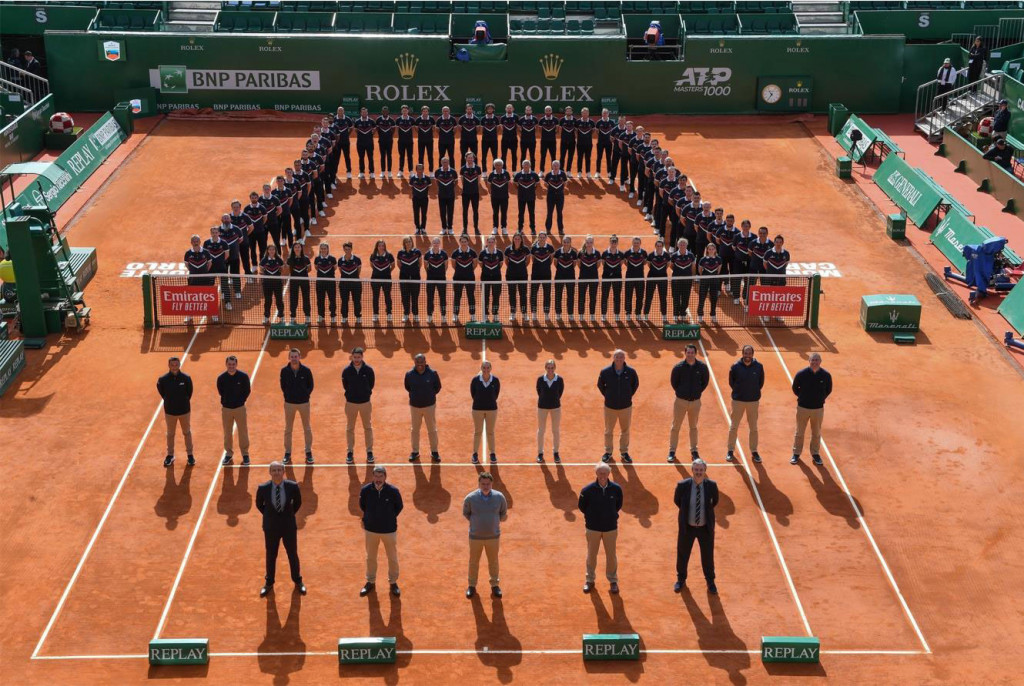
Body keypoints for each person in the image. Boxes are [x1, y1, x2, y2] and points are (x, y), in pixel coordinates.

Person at [256, 461, 306, 597]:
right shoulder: (263, 488)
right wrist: (270, 516)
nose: (277, 472)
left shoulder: (293, 486)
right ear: (270, 472)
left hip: (288, 526)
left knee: (292, 554)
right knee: (271, 555)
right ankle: (269, 583)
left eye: (279, 470)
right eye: (274, 470)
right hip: (271, 527)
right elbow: (259, 505)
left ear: (283, 472)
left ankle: (298, 581)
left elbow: (298, 503)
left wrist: (288, 516)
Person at [674, 458, 718, 595]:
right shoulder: (682, 485)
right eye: (696, 470)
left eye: (701, 470)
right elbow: (677, 501)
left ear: (705, 471)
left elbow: (714, 502)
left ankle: (710, 581)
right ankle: (681, 579)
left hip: (705, 528)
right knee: (682, 554)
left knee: (707, 556)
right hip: (688, 528)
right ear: (692, 470)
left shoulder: (712, 485)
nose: (699, 472)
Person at [578, 462, 623, 594]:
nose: (602, 475)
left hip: (610, 528)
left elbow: (618, 505)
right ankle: (590, 580)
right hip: (593, 528)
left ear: (609, 474)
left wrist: (610, 516)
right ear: (596, 474)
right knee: (591, 555)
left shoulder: (616, 489)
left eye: (605, 473)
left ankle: (613, 581)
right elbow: (582, 507)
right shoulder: (587, 490)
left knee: (611, 556)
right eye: (600, 473)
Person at [359, 466, 403, 598]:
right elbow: (362, 506)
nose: (378, 479)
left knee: (392, 558)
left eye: (381, 476)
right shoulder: (366, 490)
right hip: (371, 530)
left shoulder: (393, 491)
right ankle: (370, 581)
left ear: (385, 477)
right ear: (373, 477)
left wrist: (388, 518)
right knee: (370, 557)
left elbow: (399, 507)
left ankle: (393, 582)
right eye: (376, 476)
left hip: (388, 530)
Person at [463, 472, 508, 599]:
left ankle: (495, 585)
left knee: (493, 561)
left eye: (488, 484)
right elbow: (466, 513)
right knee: (473, 562)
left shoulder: (499, 497)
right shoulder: (470, 498)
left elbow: (503, 513)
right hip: (475, 537)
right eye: (483, 484)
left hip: (493, 537)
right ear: (479, 484)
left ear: (492, 484)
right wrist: (477, 524)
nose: (485, 486)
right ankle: (471, 585)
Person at [668, 344, 709, 463]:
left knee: (693, 427)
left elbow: (705, 382)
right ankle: (672, 451)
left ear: (695, 354)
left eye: (692, 352)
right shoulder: (678, 367)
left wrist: (697, 392)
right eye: (688, 352)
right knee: (675, 427)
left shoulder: (702, 367)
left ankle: (694, 451)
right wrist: (682, 392)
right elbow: (674, 383)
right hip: (680, 402)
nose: (690, 354)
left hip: (695, 403)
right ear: (685, 353)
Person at [597, 349, 640, 463]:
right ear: (613, 358)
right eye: (617, 357)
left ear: (624, 359)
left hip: (626, 407)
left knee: (625, 430)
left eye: (621, 357)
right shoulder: (605, 372)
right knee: (608, 431)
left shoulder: (631, 372)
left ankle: (624, 452)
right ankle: (608, 452)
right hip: (610, 407)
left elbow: (635, 385)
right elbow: (600, 385)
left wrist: (627, 396)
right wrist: (608, 396)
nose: (619, 359)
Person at [791, 353, 832, 466]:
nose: (814, 362)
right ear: (809, 361)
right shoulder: (801, 374)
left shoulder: (826, 375)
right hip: (802, 408)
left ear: (820, 361)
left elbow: (829, 389)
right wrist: (803, 397)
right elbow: (795, 388)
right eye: (812, 360)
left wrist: (820, 399)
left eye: (816, 360)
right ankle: (796, 453)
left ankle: (815, 454)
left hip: (818, 409)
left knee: (816, 432)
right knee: (799, 432)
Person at [727, 345, 764, 464]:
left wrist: (753, 392)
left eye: (749, 353)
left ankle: (754, 451)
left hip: (753, 402)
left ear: (752, 354)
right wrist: (739, 392)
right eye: (745, 353)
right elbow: (731, 382)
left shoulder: (759, 367)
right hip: (738, 401)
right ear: (742, 354)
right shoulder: (735, 366)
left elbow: (760, 382)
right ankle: (730, 450)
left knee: (753, 428)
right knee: (734, 427)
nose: (747, 356)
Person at [157, 356, 194, 467]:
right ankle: (170, 455)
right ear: (169, 365)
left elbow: (189, 392)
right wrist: (170, 401)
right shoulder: (162, 380)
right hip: (170, 412)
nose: (174, 367)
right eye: (172, 365)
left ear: (179, 365)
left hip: (184, 411)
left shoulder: (186, 378)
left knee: (187, 433)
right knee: (170, 434)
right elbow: (162, 392)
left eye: (176, 365)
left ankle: (190, 455)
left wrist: (183, 401)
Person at [280, 348, 314, 465]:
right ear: (289, 358)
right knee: (288, 429)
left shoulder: (306, 371)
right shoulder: (284, 371)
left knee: (307, 428)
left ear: (300, 357)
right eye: (292, 357)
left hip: (304, 403)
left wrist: (305, 394)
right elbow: (283, 386)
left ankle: (308, 452)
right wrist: (289, 395)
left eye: (296, 356)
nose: (294, 359)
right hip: (289, 403)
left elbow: (311, 385)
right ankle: (287, 453)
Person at [406, 353, 442, 463]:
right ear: (414, 362)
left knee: (432, 429)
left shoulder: (433, 374)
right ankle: (415, 451)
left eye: (422, 362)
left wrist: (429, 396)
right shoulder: (409, 374)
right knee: (415, 430)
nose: (420, 365)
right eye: (418, 362)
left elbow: (437, 387)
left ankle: (434, 451)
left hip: (429, 406)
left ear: (425, 362)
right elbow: (407, 387)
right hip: (415, 406)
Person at [342, 346, 376, 465]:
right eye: (355, 357)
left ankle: (369, 452)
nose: (356, 359)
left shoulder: (368, 370)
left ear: (362, 357)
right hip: (351, 403)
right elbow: (345, 385)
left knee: (367, 427)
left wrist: (365, 393)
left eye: (359, 357)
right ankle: (350, 452)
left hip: (365, 403)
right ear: (352, 357)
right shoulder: (346, 371)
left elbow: (371, 384)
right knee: (350, 428)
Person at [218, 355, 251, 467]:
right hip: (226, 409)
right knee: (227, 432)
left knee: (243, 431)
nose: (231, 366)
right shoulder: (221, 378)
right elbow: (221, 391)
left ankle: (245, 454)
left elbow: (247, 390)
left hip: (240, 408)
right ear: (226, 364)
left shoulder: (243, 377)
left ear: (236, 364)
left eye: (233, 364)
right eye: (229, 364)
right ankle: (228, 453)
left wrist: (240, 401)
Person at [534, 359, 565, 463]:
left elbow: (560, 392)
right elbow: (539, 391)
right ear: (545, 368)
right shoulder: (540, 379)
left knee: (555, 430)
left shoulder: (559, 379)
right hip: (542, 407)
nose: (550, 370)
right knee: (541, 430)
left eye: (552, 368)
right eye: (548, 368)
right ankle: (540, 453)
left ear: (554, 368)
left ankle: (556, 452)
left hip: (556, 408)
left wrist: (553, 400)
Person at [470, 361, 501, 464]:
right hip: (477, 409)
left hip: (491, 409)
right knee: (477, 432)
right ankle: (474, 453)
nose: (486, 369)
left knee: (490, 432)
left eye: (488, 367)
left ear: (491, 368)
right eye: (484, 367)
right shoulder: (475, 380)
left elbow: (496, 394)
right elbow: (473, 393)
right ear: (481, 368)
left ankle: (492, 453)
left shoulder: (495, 380)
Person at [451, 234, 478, 323]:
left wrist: (468, 271)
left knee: (471, 296)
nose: (463, 243)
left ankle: (473, 315)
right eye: (462, 242)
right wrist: (461, 271)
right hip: (458, 278)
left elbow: (475, 264)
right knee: (457, 297)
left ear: (468, 242)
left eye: (465, 241)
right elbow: (453, 265)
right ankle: (455, 315)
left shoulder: (473, 252)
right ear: (460, 242)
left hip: (470, 278)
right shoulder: (455, 253)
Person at [504, 231, 530, 322]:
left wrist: (520, 268)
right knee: (512, 295)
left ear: (521, 240)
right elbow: (506, 262)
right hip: (511, 275)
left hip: (522, 275)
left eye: (519, 239)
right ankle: (513, 313)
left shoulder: (525, 249)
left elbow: (527, 261)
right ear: (513, 239)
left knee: (523, 295)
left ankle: (524, 313)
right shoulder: (508, 249)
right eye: (515, 239)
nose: (517, 240)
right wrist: (513, 268)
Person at [204, 225, 233, 307]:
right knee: (210, 285)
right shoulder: (206, 243)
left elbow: (227, 255)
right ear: (210, 233)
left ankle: (228, 302)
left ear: (219, 233)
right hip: (211, 268)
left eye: (216, 232)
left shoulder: (224, 243)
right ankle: (209, 302)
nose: (214, 234)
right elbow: (205, 255)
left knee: (225, 284)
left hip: (222, 267)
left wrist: (220, 261)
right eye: (213, 233)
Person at [529, 231, 555, 322]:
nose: (542, 239)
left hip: (547, 274)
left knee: (547, 294)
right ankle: (534, 313)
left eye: (544, 237)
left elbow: (551, 260)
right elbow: (533, 259)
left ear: (546, 238)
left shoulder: (550, 248)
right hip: (535, 275)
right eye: (540, 237)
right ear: (538, 238)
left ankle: (546, 314)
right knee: (533, 294)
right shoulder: (533, 248)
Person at [369, 239, 395, 325]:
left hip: (386, 279)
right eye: (379, 245)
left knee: (387, 296)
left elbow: (393, 266)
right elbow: (372, 265)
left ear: (384, 246)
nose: (381, 247)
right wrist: (378, 273)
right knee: (375, 297)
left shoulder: (389, 256)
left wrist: (387, 273)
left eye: (382, 245)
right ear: (377, 246)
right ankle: (375, 314)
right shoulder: (373, 256)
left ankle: (389, 313)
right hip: (375, 279)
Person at [397, 236, 422, 324]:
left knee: (415, 297)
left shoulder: (417, 252)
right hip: (404, 279)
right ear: (404, 244)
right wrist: (406, 272)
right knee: (405, 297)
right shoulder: (400, 253)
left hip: (415, 278)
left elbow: (420, 264)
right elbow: (399, 264)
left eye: (409, 241)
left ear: (412, 242)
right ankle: (406, 314)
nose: (408, 243)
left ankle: (415, 315)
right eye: (406, 242)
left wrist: (413, 271)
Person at [424, 237, 449, 323]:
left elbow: (446, 266)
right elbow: (425, 266)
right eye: (434, 243)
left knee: (442, 297)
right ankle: (429, 315)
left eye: (437, 243)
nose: (436, 244)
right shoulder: (427, 254)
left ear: (439, 244)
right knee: (430, 298)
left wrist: (440, 273)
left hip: (441, 279)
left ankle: (443, 315)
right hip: (430, 280)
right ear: (432, 244)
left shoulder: (444, 254)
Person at [670, 237, 695, 323]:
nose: (682, 245)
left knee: (685, 297)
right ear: (677, 245)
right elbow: (671, 266)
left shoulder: (691, 255)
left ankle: (683, 314)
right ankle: (676, 314)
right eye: (680, 244)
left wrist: (691, 277)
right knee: (676, 298)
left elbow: (693, 267)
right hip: (676, 281)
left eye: (684, 244)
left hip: (687, 281)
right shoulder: (673, 256)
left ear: (686, 245)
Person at [696, 242, 723, 325]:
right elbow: (700, 270)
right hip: (704, 281)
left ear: (715, 250)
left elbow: (718, 270)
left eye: (712, 249)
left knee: (714, 299)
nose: (711, 250)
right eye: (709, 249)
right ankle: (700, 315)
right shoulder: (703, 259)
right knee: (702, 298)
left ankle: (713, 315)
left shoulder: (718, 259)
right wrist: (705, 276)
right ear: (707, 250)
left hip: (714, 281)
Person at [259, 243, 285, 325]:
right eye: (270, 249)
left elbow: (282, 268)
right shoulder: (264, 259)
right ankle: (266, 317)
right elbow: (261, 269)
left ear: (275, 251)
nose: (271, 251)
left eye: (273, 249)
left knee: (279, 300)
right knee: (268, 300)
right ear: (267, 251)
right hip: (267, 284)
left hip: (277, 283)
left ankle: (281, 316)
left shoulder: (279, 259)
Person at [553, 235, 578, 322]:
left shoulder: (574, 253)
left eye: (567, 242)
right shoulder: (557, 252)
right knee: (558, 296)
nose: (566, 243)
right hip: (559, 277)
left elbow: (574, 264)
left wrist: (567, 271)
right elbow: (555, 263)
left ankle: (570, 314)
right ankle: (558, 314)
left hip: (570, 277)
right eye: (564, 242)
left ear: (570, 243)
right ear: (562, 242)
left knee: (570, 296)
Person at [479, 235, 503, 323]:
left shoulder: (499, 253)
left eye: (492, 242)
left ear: (495, 242)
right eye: (489, 242)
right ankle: (485, 315)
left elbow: (500, 264)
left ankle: (495, 314)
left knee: (496, 296)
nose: (491, 243)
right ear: (487, 243)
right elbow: (481, 264)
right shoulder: (482, 253)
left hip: (497, 277)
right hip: (485, 278)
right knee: (485, 297)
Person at [337, 241, 362, 326]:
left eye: (349, 249)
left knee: (357, 301)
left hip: (356, 284)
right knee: (344, 301)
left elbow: (358, 271)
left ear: (351, 249)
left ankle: (358, 316)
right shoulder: (340, 260)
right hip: (344, 284)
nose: (347, 250)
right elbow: (341, 271)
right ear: (344, 249)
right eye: (346, 249)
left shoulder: (357, 259)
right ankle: (344, 317)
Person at [601, 236, 625, 323]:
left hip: (617, 278)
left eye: (615, 242)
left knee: (617, 297)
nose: (613, 243)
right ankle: (603, 315)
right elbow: (603, 264)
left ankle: (617, 315)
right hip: (606, 278)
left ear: (617, 243)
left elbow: (621, 264)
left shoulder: (621, 254)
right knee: (604, 296)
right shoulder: (604, 253)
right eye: (612, 242)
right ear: (609, 242)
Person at [577, 235, 600, 322]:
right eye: (587, 242)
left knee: (593, 297)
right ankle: (581, 315)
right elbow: (579, 265)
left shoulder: (597, 253)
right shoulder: (580, 253)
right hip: (582, 278)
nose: (589, 244)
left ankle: (592, 315)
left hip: (594, 279)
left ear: (593, 243)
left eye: (591, 242)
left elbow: (598, 265)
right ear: (585, 243)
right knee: (581, 297)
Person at [287, 242, 311, 325]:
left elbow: (309, 269)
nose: (297, 249)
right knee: (293, 299)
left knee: (306, 298)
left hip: (304, 281)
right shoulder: (290, 259)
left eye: (299, 247)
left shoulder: (306, 259)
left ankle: (307, 316)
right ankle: (293, 317)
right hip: (294, 281)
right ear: (293, 249)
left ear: (301, 248)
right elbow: (288, 269)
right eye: (295, 247)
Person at [624, 236, 647, 321]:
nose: (636, 244)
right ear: (632, 243)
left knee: (640, 297)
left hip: (640, 278)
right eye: (634, 243)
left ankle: (638, 313)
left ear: (640, 243)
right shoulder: (627, 253)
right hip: (629, 278)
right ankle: (628, 313)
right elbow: (626, 263)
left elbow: (644, 262)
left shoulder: (644, 253)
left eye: (637, 243)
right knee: (628, 296)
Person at [314, 242, 337, 326]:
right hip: (320, 283)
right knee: (320, 300)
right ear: (320, 249)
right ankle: (321, 315)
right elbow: (316, 268)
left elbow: (335, 268)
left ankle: (333, 315)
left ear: (327, 249)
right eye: (322, 248)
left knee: (332, 299)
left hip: (330, 282)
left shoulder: (332, 259)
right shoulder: (317, 259)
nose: (323, 250)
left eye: (325, 248)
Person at [514, 159, 539, 235]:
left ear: (530, 165)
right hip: (521, 197)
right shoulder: (518, 175)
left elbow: (537, 183)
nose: (526, 166)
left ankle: (533, 229)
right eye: (525, 164)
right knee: (521, 213)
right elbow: (515, 183)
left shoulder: (534, 175)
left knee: (531, 213)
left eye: (527, 164)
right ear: (522, 165)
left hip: (531, 197)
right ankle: (520, 228)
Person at [434, 156, 458, 236]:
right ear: (441, 163)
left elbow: (456, 182)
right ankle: (444, 228)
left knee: (450, 212)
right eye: (443, 162)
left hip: (451, 195)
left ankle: (450, 228)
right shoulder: (437, 172)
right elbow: (436, 182)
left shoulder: (453, 172)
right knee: (442, 212)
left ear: (448, 163)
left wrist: (450, 188)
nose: (445, 164)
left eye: (446, 162)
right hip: (441, 196)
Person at [460, 151, 483, 235]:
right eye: (468, 157)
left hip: (475, 193)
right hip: (465, 193)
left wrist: (473, 188)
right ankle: (465, 228)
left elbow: (478, 180)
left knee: (475, 210)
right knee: (465, 211)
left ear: (474, 158)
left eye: (471, 157)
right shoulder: (463, 169)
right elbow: (462, 181)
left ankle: (476, 228)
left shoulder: (478, 168)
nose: (470, 159)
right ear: (465, 158)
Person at [543, 159, 567, 237]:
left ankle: (560, 229)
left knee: (559, 213)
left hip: (560, 197)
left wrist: (559, 190)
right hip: (550, 196)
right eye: (554, 165)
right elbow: (545, 184)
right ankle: (548, 229)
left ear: (559, 166)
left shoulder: (563, 174)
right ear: (552, 166)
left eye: (557, 165)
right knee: (549, 213)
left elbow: (565, 183)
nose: (556, 167)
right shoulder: (548, 175)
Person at [487, 158, 511, 235]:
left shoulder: (506, 173)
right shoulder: (491, 174)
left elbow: (509, 184)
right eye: (496, 165)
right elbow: (489, 184)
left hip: (504, 197)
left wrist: (506, 192)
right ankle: (495, 228)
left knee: (504, 212)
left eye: (500, 165)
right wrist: (491, 193)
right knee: (495, 212)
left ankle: (504, 227)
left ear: (502, 165)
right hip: (494, 197)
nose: (498, 166)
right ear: (494, 166)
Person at [409, 163, 432, 236]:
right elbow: (411, 187)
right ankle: (417, 228)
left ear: (423, 169)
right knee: (416, 213)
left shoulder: (427, 178)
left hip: (424, 198)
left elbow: (429, 187)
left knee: (424, 214)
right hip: (415, 199)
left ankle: (423, 228)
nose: (420, 170)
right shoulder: (412, 179)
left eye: (421, 169)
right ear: (416, 170)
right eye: (418, 169)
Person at [333, 106, 354, 179]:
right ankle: (334, 173)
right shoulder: (334, 119)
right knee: (336, 158)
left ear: (343, 111)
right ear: (337, 111)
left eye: (341, 111)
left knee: (347, 157)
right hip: (337, 143)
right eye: (339, 111)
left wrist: (347, 134)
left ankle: (349, 172)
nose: (340, 112)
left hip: (346, 142)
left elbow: (351, 128)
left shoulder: (348, 119)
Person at [354, 107, 376, 179]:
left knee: (370, 158)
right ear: (361, 113)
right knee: (361, 158)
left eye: (365, 112)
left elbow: (374, 130)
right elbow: (356, 130)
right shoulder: (357, 122)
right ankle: (361, 172)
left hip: (369, 143)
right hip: (360, 143)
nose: (364, 113)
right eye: (362, 112)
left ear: (367, 113)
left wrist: (369, 135)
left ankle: (372, 172)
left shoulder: (371, 121)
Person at [395, 104, 415, 178]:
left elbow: (413, 129)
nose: (405, 112)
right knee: (402, 156)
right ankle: (400, 171)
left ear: (408, 111)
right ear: (401, 111)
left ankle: (411, 171)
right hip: (401, 142)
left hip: (410, 142)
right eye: (403, 111)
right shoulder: (398, 120)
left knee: (410, 156)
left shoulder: (412, 120)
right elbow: (397, 130)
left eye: (406, 110)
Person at [576, 107, 596, 178]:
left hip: (588, 143)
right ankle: (579, 172)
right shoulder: (578, 122)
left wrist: (588, 136)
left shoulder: (591, 122)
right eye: (583, 113)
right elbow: (576, 131)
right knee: (580, 158)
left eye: (586, 113)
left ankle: (588, 172)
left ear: (588, 113)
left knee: (588, 158)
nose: (585, 114)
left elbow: (593, 131)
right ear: (581, 113)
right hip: (580, 143)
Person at [596, 110, 617, 181]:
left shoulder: (612, 122)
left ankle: (609, 172)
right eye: (603, 113)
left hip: (609, 143)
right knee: (599, 157)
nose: (605, 114)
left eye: (606, 113)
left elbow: (614, 133)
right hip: (600, 143)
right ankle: (598, 172)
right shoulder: (598, 122)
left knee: (608, 158)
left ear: (608, 114)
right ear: (602, 114)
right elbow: (596, 131)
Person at [376, 106, 394, 179]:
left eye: (386, 111)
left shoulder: (392, 120)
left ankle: (389, 172)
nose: (385, 113)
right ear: (382, 112)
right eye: (384, 111)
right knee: (382, 156)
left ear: (388, 112)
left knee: (389, 156)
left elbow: (393, 130)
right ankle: (383, 172)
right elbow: (377, 129)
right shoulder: (378, 120)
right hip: (381, 141)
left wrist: (389, 136)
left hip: (389, 141)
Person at [480, 103, 500, 171]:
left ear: (493, 110)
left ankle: (494, 170)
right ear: (486, 110)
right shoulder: (483, 119)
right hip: (485, 140)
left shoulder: (496, 118)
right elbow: (481, 130)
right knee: (484, 156)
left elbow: (497, 129)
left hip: (494, 140)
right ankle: (484, 171)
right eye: (488, 109)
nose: (490, 110)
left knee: (495, 156)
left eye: (491, 108)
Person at [500, 103, 519, 171]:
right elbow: (502, 128)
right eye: (508, 108)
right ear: (505, 109)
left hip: (514, 139)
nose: (509, 109)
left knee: (514, 155)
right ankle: (504, 170)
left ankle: (514, 171)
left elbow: (517, 127)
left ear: (513, 109)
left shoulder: (516, 117)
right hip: (505, 139)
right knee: (503, 156)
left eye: (510, 108)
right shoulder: (502, 118)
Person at [559, 106, 577, 177]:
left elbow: (576, 131)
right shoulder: (562, 120)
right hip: (563, 142)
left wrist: (575, 139)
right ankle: (561, 170)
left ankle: (568, 171)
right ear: (565, 112)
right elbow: (560, 130)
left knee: (570, 157)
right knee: (562, 156)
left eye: (570, 111)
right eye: (567, 111)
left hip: (572, 142)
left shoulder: (575, 120)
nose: (568, 112)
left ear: (572, 112)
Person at [539, 105, 559, 173]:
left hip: (552, 141)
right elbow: (539, 130)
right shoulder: (541, 120)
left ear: (551, 111)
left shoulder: (555, 120)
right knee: (543, 156)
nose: (548, 112)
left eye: (549, 110)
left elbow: (557, 130)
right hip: (544, 141)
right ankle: (541, 171)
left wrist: (551, 135)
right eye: (547, 110)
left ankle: (553, 170)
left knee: (553, 156)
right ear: (545, 111)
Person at [415, 105, 435, 170]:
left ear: (428, 112)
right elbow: (416, 129)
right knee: (421, 156)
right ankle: (421, 170)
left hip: (429, 141)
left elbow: (433, 129)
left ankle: (431, 171)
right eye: (423, 111)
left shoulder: (431, 119)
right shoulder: (418, 119)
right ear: (422, 112)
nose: (425, 112)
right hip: (421, 141)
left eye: (426, 111)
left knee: (430, 156)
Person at [519, 104, 538, 169]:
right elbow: (519, 129)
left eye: (529, 110)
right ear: (525, 111)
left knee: (532, 156)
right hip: (523, 141)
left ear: (531, 111)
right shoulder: (521, 119)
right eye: (527, 110)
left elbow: (537, 128)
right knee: (523, 156)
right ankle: (522, 170)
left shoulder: (535, 119)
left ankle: (532, 170)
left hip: (532, 141)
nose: (528, 111)